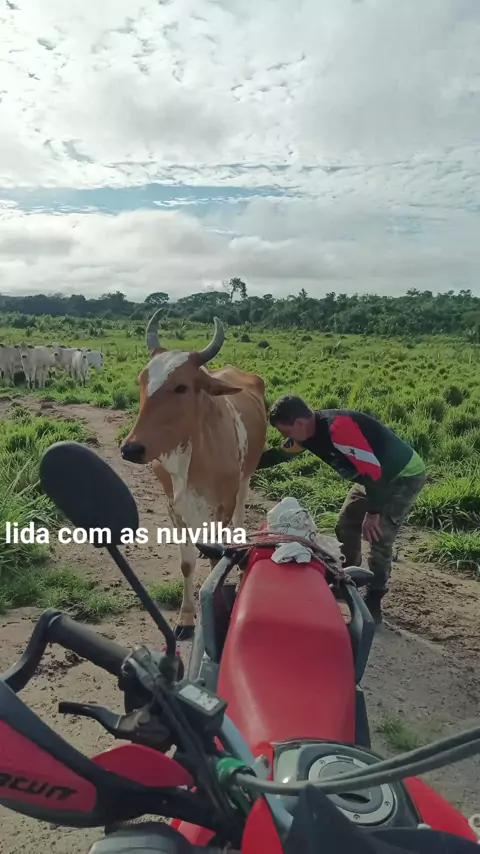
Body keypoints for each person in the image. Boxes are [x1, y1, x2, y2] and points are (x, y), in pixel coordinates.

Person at [256, 395, 427, 623]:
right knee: (346, 524)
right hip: (371, 476)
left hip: (401, 476)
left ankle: (374, 598)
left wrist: (373, 513)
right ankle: (349, 578)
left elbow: (374, 472)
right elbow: (280, 454)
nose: (286, 437)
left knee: (378, 536)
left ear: (299, 422)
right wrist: (243, 465)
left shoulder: (339, 429)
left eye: (286, 432)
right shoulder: (305, 435)